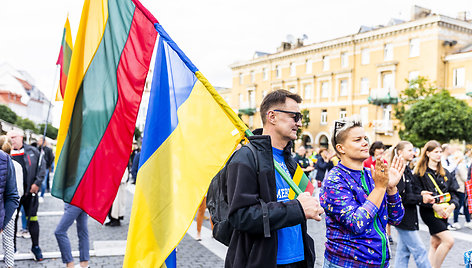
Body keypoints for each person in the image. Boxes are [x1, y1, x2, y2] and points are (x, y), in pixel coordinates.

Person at [225, 89, 323, 268]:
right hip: (265, 260)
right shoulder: (246, 157)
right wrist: (298, 209)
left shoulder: (289, 160)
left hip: (298, 260)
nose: (300, 123)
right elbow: (241, 216)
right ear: (272, 116)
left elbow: (299, 199)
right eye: (295, 116)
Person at [320, 118, 405, 268]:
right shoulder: (334, 180)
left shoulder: (371, 174)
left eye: (365, 138)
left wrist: (391, 189)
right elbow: (356, 223)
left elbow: (395, 219)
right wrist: (380, 188)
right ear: (341, 148)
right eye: (357, 140)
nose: (365, 142)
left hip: (380, 262)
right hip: (348, 264)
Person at [412, 140, 458, 268]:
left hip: (444, 212)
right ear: (427, 153)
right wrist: (434, 206)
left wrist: (452, 206)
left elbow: (454, 193)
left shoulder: (445, 173)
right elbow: (417, 195)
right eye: (436, 152)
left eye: (440, 152)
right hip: (429, 212)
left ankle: (429, 266)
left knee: (435, 243)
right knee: (449, 241)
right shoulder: (419, 173)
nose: (439, 155)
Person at [391, 141, 433, 268]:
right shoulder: (397, 172)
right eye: (409, 150)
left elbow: (411, 191)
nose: (413, 152)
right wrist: (421, 198)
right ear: (400, 152)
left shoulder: (407, 169)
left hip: (407, 217)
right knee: (420, 251)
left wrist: (421, 193)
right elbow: (402, 197)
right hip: (403, 218)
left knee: (403, 253)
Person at [7, 130, 46, 261]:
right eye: (10, 137)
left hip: (30, 193)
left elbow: (42, 167)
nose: (12, 139)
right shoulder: (6, 152)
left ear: (21, 137)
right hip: (12, 195)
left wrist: (37, 183)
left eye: (14, 137)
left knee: (33, 220)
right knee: (11, 222)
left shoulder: (33, 151)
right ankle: (11, 248)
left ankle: (36, 247)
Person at [0, 136, 20, 268]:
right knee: (9, 241)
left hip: (5, 214)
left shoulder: (6, 160)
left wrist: (1, 224)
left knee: (8, 240)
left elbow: (13, 195)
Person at [54, 202, 90, 268]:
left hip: (74, 200)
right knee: (83, 232)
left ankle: (70, 264)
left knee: (59, 232)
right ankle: (84, 264)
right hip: (83, 199)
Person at [450, 151, 472, 230]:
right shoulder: (461, 166)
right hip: (461, 189)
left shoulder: (458, 165)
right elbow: (465, 178)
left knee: (465, 206)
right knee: (459, 206)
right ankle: (456, 222)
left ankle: (468, 221)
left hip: (462, 188)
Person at [37, 137, 54, 203]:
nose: (38, 142)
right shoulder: (37, 148)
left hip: (45, 168)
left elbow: (51, 158)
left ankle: (42, 195)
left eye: (40, 140)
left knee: (43, 182)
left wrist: (48, 166)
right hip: (37, 168)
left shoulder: (48, 149)